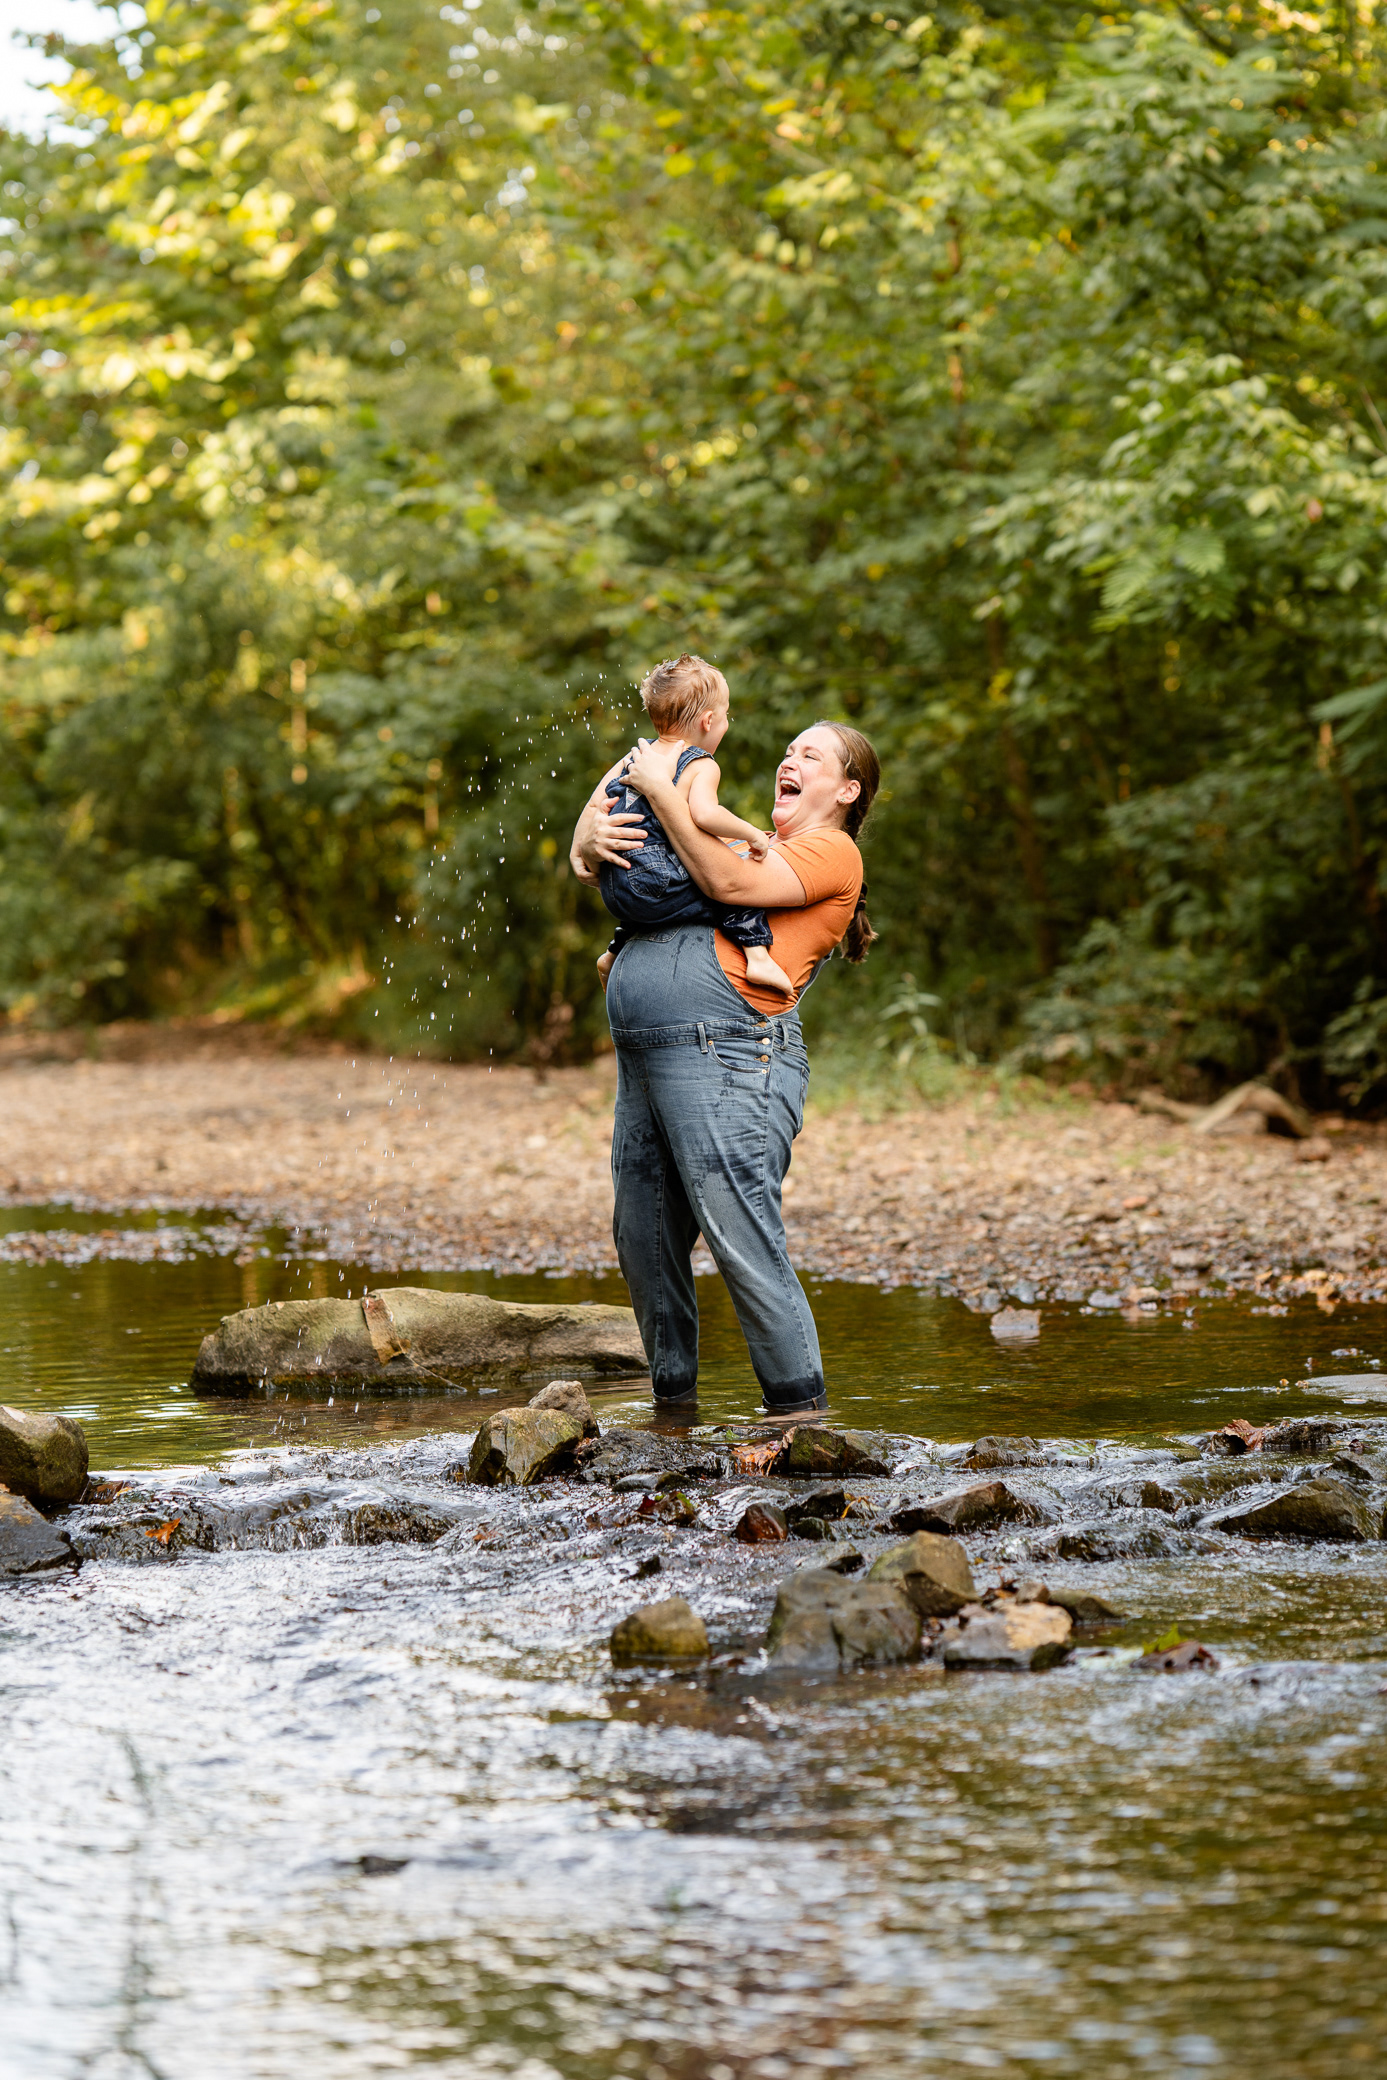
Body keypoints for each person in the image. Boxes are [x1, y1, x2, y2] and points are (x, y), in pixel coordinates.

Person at [571, 717, 881, 1415]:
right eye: (787, 749)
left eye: (810, 755)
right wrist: (582, 841)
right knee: (643, 1237)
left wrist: (664, 792)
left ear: (846, 789)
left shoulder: (830, 851)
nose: (788, 759)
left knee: (740, 1233)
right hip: (648, 1057)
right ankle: (671, 1421)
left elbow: (723, 884)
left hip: (736, 1054)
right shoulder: (749, 844)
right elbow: (615, 854)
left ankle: (804, 1424)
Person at [575, 654, 794, 997]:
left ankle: (613, 952)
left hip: (614, 883)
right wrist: (750, 833)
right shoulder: (701, 764)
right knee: (735, 880)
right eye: (726, 714)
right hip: (653, 881)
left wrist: (580, 850)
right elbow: (707, 815)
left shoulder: (635, 756)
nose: (726, 722)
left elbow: (592, 804)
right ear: (709, 721)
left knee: (656, 880)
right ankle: (757, 954)